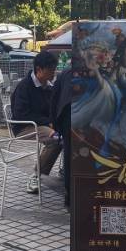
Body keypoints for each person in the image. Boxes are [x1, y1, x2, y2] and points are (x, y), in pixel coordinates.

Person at [10, 51, 62, 193]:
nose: (54, 73)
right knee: (56, 138)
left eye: (54, 69)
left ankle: (66, 169)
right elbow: (20, 114)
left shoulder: (49, 86)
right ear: (39, 69)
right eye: (51, 70)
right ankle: (36, 176)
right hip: (24, 127)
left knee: (67, 133)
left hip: (44, 125)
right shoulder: (24, 86)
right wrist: (48, 122)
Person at [51, 67, 72, 207]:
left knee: (70, 156)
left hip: (68, 118)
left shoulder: (66, 72)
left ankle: (70, 195)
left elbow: (55, 99)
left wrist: (56, 125)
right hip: (90, 118)